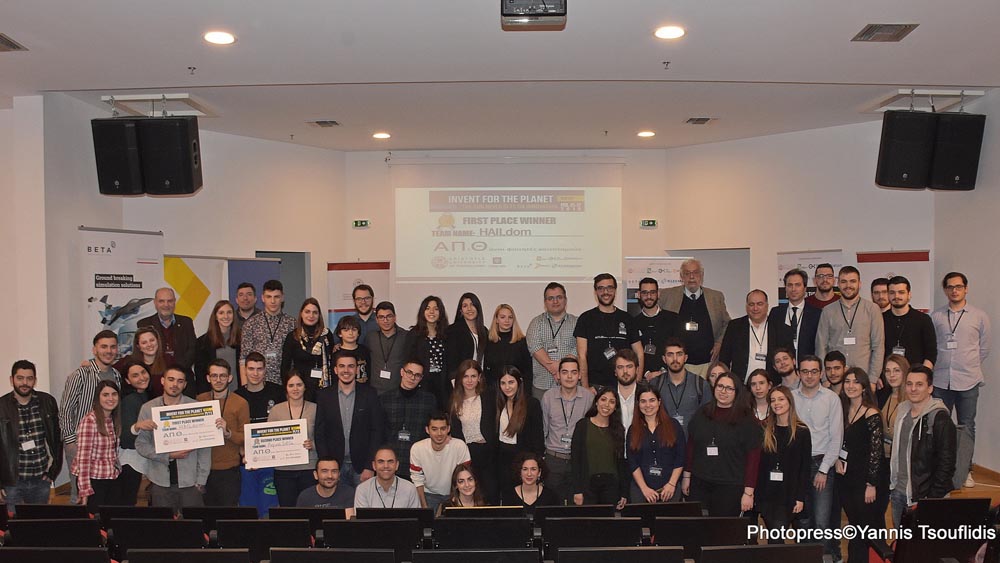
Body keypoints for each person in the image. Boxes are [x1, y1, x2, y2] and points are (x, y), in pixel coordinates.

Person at [930, 271, 991, 487]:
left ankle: (965, 470)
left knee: (966, 426)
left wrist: (967, 364)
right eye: (950, 287)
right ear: (945, 290)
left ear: (966, 288)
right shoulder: (935, 316)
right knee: (939, 426)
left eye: (958, 286)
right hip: (940, 381)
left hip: (968, 380)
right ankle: (940, 469)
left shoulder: (979, 316)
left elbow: (984, 348)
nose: (954, 290)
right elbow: (932, 346)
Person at [681, 372, 762, 517]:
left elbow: (753, 458)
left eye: (729, 388)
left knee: (723, 533)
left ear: (737, 392)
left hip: (730, 486)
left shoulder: (746, 419)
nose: (723, 391)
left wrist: (748, 493)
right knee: (698, 530)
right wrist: (686, 477)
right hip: (700, 482)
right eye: (720, 386)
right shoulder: (703, 412)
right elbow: (692, 446)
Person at [135, 367, 212, 513]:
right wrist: (167, 455)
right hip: (159, 482)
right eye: (171, 379)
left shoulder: (195, 408)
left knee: (194, 529)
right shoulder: (148, 408)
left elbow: (204, 448)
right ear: (163, 381)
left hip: (190, 482)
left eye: (180, 381)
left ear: (185, 385)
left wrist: (201, 480)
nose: (175, 384)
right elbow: (141, 445)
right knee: (164, 530)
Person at [889, 366, 957, 528]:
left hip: (925, 497)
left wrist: (932, 500)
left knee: (924, 550)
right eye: (909, 384)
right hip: (899, 493)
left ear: (930, 388)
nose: (913, 389)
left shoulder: (940, 418)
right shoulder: (902, 411)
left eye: (919, 384)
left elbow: (947, 463)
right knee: (902, 548)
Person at [792, 355, 844, 562]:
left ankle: (823, 558)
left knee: (822, 520)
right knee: (802, 519)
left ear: (821, 373)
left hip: (822, 464)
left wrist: (824, 470)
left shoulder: (831, 399)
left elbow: (836, 438)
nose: (810, 376)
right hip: (797, 466)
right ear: (798, 373)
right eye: (805, 371)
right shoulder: (790, 397)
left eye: (814, 371)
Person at [61, 330, 122, 504]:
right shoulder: (80, 375)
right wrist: (72, 442)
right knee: (81, 496)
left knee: (102, 500)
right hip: (82, 445)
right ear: (94, 349)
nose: (108, 351)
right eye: (103, 346)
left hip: (104, 450)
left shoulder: (117, 376)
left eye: (112, 347)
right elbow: (66, 410)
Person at [835, 367, 886, 563]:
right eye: (847, 381)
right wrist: (837, 459)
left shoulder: (871, 413)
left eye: (856, 381)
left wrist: (871, 484)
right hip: (846, 478)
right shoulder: (843, 409)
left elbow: (876, 452)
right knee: (855, 526)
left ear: (864, 387)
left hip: (865, 482)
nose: (851, 386)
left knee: (864, 530)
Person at [315, 349, 385, 486]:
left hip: (362, 467)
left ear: (357, 369)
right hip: (334, 468)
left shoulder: (370, 394)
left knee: (363, 507)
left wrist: (370, 466)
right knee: (338, 507)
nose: (346, 370)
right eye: (342, 366)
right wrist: (326, 466)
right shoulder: (324, 396)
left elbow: (377, 431)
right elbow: (320, 434)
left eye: (351, 366)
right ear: (335, 370)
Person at [1, 360, 63, 511]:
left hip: (41, 479)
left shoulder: (47, 402)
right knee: (13, 525)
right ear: (12, 380)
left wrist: (53, 472)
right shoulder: (2, 406)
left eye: (29, 378)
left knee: (38, 523)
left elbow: (56, 439)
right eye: (20, 378)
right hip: (13, 480)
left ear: (35, 380)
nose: (25, 383)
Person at [755, 385, 812, 542]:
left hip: (790, 495)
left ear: (789, 402)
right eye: (772, 400)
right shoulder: (765, 429)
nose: (776, 403)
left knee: (782, 542)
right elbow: (761, 466)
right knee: (774, 541)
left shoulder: (802, 432)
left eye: (781, 399)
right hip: (768, 495)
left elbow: (805, 468)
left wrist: (800, 497)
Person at [660, 259, 732, 376]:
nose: (691, 277)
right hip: (677, 365)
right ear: (681, 277)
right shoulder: (667, 295)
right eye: (687, 273)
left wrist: (719, 342)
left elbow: (727, 323)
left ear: (702, 276)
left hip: (707, 364)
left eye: (696, 272)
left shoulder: (716, 297)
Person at [233, 352, 284, 514]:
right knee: (249, 508)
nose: (255, 373)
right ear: (245, 370)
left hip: (273, 461)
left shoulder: (278, 392)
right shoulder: (237, 396)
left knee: (270, 507)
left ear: (265, 370)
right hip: (246, 461)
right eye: (251, 369)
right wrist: (242, 452)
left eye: (259, 369)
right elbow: (236, 431)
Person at [816, 265, 885, 382]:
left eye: (852, 281)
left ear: (860, 284)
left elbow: (878, 346)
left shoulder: (872, 309)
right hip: (835, 379)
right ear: (838, 284)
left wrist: (873, 379)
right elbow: (821, 347)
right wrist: (824, 378)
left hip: (863, 378)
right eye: (844, 282)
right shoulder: (828, 311)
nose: (848, 286)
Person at [575, 273, 644, 388]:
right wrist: (585, 387)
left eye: (609, 288)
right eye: (601, 288)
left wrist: (637, 383)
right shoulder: (585, 318)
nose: (605, 292)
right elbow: (581, 355)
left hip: (624, 386)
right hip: (595, 386)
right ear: (595, 291)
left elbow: (639, 353)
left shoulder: (627, 319)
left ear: (615, 290)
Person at [196, 359, 249, 506]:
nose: (218, 380)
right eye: (214, 376)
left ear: (230, 378)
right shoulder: (199, 401)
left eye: (222, 376)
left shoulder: (241, 402)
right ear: (208, 378)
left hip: (229, 470)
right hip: (203, 470)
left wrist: (228, 433)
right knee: (206, 517)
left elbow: (246, 438)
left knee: (227, 516)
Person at [541, 357, 594, 503]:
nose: (569, 376)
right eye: (564, 372)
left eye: (573, 372)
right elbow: (544, 428)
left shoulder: (589, 398)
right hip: (553, 459)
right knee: (552, 504)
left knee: (577, 506)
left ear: (579, 375)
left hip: (578, 460)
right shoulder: (548, 397)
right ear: (558, 375)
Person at [448, 360, 499, 503]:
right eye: (465, 376)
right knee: (470, 496)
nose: (469, 380)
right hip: (468, 454)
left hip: (488, 453)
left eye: (473, 376)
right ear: (460, 379)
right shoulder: (454, 401)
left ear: (479, 378)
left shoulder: (489, 397)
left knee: (490, 493)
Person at [719, 289, 794, 383]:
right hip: (741, 386)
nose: (755, 308)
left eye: (759, 304)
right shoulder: (735, 327)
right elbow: (724, 358)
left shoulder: (782, 329)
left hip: (771, 386)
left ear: (767, 306)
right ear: (746, 307)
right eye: (751, 304)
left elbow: (789, 359)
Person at [570, 386, 628, 508]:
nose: (607, 405)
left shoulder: (619, 429)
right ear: (596, 401)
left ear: (615, 407)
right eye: (603, 399)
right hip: (588, 486)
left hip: (611, 486)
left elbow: (621, 462)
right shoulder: (582, 425)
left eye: (612, 402)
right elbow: (575, 460)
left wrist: (624, 492)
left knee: (608, 525)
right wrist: (577, 490)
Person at [380, 359, 437, 480]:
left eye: (417, 375)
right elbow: (379, 432)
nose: (412, 378)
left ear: (421, 378)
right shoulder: (384, 399)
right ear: (402, 372)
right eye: (409, 372)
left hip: (418, 462)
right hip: (390, 462)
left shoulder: (429, 401)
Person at [627, 385, 685, 504]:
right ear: (638, 404)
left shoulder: (674, 426)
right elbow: (632, 462)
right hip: (641, 491)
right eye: (643, 401)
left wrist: (671, 484)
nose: (648, 405)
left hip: (669, 489)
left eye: (652, 400)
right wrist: (644, 489)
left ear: (659, 402)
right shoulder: (633, 429)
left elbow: (680, 457)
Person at [268, 371, 318, 506]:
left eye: (299, 385)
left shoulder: (315, 409)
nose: (295, 389)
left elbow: (325, 437)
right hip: (284, 471)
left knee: (309, 510)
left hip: (309, 468)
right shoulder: (276, 411)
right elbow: (267, 440)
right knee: (288, 512)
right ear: (286, 388)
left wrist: (313, 444)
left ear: (305, 387)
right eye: (291, 385)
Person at [72, 381, 122, 511]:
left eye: (114, 394)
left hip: (110, 476)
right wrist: (84, 489)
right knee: (95, 522)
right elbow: (83, 458)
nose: (110, 398)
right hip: (93, 479)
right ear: (97, 398)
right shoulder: (90, 420)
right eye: (105, 395)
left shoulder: (113, 419)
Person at [526, 282, 579, 402]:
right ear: (545, 302)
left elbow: (578, 348)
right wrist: (557, 369)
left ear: (565, 300)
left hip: (571, 385)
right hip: (542, 385)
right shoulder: (535, 323)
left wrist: (562, 368)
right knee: (542, 420)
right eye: (551, 298)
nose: (555, 301)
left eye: (559, 297)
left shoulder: (577, 322)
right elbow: (534, 347)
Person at [409, 411, 471, 512]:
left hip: (454, 493)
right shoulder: (417, 448)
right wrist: (424, 508)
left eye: (443, 429)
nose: (439, 433)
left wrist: (458, 500)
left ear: (448, 429)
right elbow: (417, 479)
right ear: (427, 430)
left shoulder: (459, 446)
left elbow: (465, 478)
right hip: (428, 494)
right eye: (434, 429)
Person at [649, 338, 711, 437]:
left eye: (679, 354)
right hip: (662, 443)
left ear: (685, 358)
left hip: (692, 444)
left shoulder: (701, 384)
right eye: (670, 355)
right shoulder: (655, 384)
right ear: (664, 359)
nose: (675, 359)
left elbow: (708, 418)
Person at [495, 366, 545, 489]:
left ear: (519, 382)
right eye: (503, 383)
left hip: (523, 460)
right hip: (501, 460)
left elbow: (538, 437)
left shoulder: (532, 404)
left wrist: (537, 464)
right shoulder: (498, 403)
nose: (507, 387)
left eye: (511, 382)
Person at [240, 279, 296, 386]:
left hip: (284, 383)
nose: (273, 301)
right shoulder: (251, 323)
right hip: (258, 383)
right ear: (262, 298)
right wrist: (244, 388)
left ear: (282, 298)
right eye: (269, 297)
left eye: (276, 297)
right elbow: (243, 359)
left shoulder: (292, 323)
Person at [137, 287, 198, 385]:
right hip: (155, 379)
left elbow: (192, 349)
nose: (166, 305)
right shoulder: (143, 324)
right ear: (155, 303)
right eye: (161, 301)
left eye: (170, 301)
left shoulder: (186, 322)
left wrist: (176, 370)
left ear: (174, 302)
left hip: (183, 378)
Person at [281, 298, 336, 400]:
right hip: (301, 391)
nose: (311, 316)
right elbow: (285, 367)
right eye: (307, 312)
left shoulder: (327, 335)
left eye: (315, 312)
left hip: (324, 389)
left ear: (319, 315)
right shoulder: (293, 337)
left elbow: (333, 362)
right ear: (301, 314)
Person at [883, 276, 936, 371]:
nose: (896, 296)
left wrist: (923, 374)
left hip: (914, 378)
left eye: (901, 292)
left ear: (909, 294)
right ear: (888, 295)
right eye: (892, 293)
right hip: (887, 378)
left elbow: (931, 353)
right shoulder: (880, 319)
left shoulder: (923, 319)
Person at [117, 361, 152, 505]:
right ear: (127, 380)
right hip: (130, 460)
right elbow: (125, 438)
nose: (142, 377)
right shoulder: (130, 400)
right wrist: (137, 427)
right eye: (135, 375)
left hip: (138, 458)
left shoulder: (145, 396)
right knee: (127, 502)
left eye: (143, 372)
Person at [769, 269, 821, 362]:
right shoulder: (776, 313)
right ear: (785, 288)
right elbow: (772, 345)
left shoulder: (817, 314)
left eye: (797, 285)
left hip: (808, 369)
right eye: (790, 285)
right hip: (782, 369)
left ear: (805, 288)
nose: (793, 289)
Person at [195, 300, 242, 397]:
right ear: (215, 316)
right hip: (213, 394)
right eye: (221, 313)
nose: (226, 316)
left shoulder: (242, 339)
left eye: (229, 312)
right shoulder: (203, 342)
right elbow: (200, 373)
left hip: (237, 391)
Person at [409, 295, 450, 406]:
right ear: (423, 311)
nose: (432, 312)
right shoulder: (414, 334)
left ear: (440, 312)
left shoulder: (447, 334)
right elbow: (410, 360)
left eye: (436, 309)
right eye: (428, 308)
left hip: (443, 387)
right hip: (422, 385)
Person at [634, 277, 680, 376]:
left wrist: (663, 372)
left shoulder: (673, 319)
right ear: (639, 295)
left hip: (669, 375)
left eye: (652, 292)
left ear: (658, 294)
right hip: (644, 378)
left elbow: (678, 349)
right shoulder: (633, 322)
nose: (649, 296)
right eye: (645, 293)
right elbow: (634, 353)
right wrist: (647, 374)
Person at [354, 446, 421, 509]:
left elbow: (415, 519)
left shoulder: (410, 489)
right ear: (374, 465)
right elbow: (362, 520)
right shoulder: (362, 490)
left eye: (390, 461)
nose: (386, 466)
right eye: (381, 462)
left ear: (397, 465)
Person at [483, 304, 533, 386]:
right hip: (494, 391)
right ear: (496, 320)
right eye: (503, 317)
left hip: (517, 391)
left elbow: (528, 371)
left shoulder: (522, 341)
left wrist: (526, 393)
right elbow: (487, 371)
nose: (507, 320)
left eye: (510, 317)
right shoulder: (489, 342)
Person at [369, 301, 411, 395]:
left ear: (395, 317)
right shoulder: (370, 337)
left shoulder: (406, 336)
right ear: (376, 319)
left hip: (398, 391)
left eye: (389, 316)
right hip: (375, 391)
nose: (385, 320)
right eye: (381, 317)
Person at [118, 326, 167, 396]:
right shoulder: (127, 361)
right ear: (138, 346)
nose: (149, 345)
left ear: (158, 341)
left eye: (152, 340)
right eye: (144, 342)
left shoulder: (169, 361)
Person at [447, 292, 489, 369]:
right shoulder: (453, 330)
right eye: (465, 306)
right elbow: (451, 359)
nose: (469, 309)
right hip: (461, 378)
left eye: (472, 304)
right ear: (461, 311)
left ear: (478, 308)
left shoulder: (485, 331)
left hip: (481, 378)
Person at [880, 355, 909, 461]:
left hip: (902, 458)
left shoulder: (911, 399)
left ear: (905, 372)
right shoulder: (881, 395)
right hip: (882, 457)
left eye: (896, 370)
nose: (891, 375)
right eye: (888, 371)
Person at [335, 315, 372, 385]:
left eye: (354, 330)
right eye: (346, 330)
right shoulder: (335, 353)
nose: (350, 333)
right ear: (340, 333)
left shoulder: (365, 350)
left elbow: (369, 373)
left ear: (358, 333)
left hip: (363, 392)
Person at [613, 349, 640, 432]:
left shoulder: (646, 395)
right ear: (615, 372)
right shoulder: (607, 396)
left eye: (629, 366)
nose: (625, 371)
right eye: (620, 367)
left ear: (637, 369)